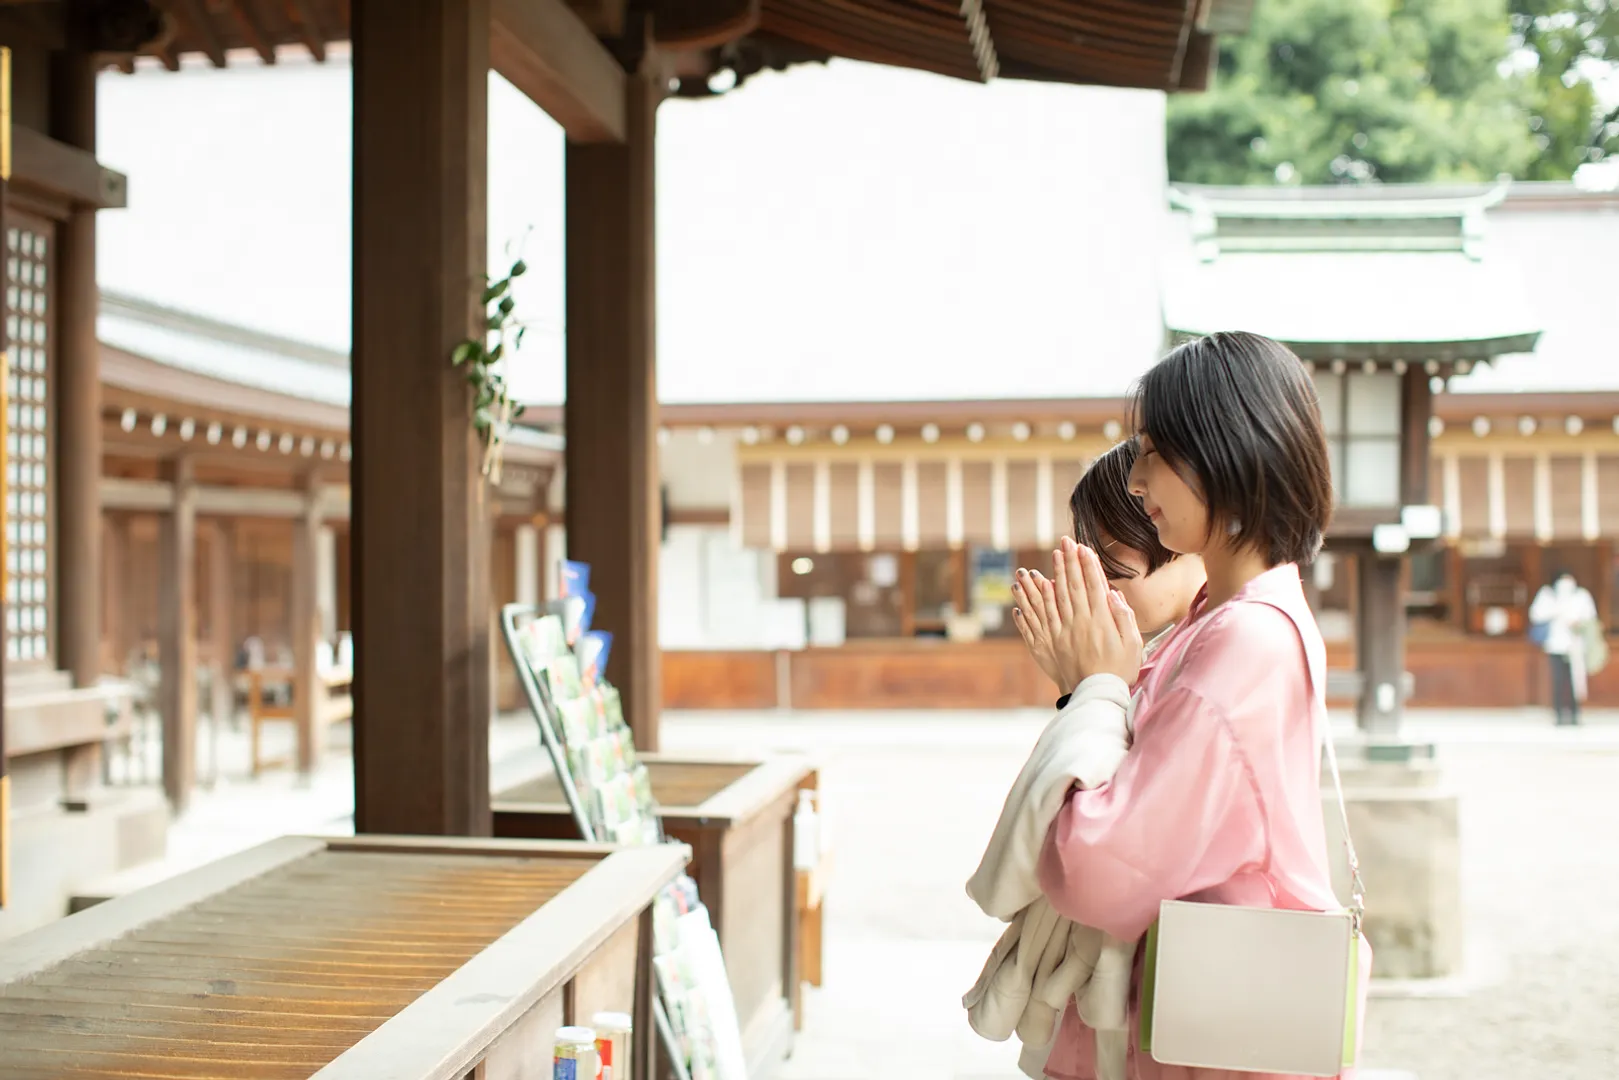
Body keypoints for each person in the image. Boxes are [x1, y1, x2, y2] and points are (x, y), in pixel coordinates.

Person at [1031, 331, 1372, 1080]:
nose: (1135, 479)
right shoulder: (1229, 618)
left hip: (1207, 1038)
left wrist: (1091, 690)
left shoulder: (1244, 637)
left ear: (1226, 448)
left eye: (1154, 451)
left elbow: (1098, 873)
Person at [1012, 438, 1207, 710]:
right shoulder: (1169, 653)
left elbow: (1122, 753)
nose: (1101, 580)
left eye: (1108, 550)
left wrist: (1089, 685)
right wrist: (1080, 684)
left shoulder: (1216, 651)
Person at [1528, 572, 1598, 726]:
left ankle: (1575, 713)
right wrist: (1557, 611)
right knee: (1558, 680)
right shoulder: (1548, 595)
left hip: (1575, 646)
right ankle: (1558, 713)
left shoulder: (1581, 596)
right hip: (1555, 646)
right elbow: (1536, 614)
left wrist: (1577, 623)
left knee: (1576, 680)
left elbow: (1590, 616)